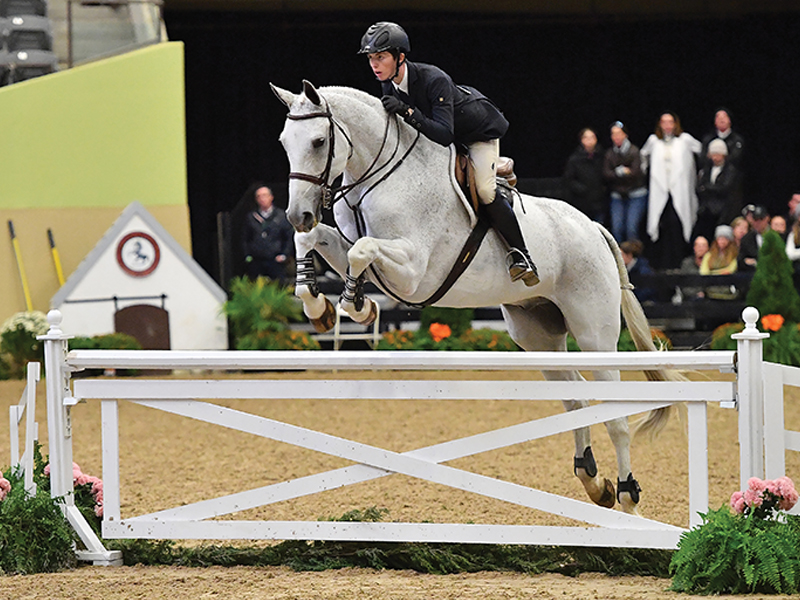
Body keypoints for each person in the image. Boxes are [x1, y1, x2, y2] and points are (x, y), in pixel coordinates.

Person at [359, 21, 538, 286]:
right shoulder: (389, 84)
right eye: (372, 58)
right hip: (443, 138)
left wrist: (408, 112)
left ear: (400, 58)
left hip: (476, 134)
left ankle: (522, 255)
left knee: (486, 191)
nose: (375, 64)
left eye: (381, 57)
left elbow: (444, 134)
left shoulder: (434, 79)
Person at [640, 112, 703, 270]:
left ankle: (679, 263)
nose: (667, 125)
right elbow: (643, 156)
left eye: (670, 122)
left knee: (678, 226)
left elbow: (702, 150)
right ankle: (662, 267)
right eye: (664, 122)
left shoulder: (684, 140)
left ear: (675, 124)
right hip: (660, 189)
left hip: (679, 190)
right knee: (661, 227)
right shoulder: (654, 141)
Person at [603, 121, 647, 243]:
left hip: (636, 194)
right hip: (617, 195)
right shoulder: (609, 154)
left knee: (631, 228)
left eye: (619, 133)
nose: (616, 137)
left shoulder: (634, 151)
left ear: (625, 135)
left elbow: (636, 173)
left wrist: (618, 173)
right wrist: (622, 172)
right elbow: (606, 174)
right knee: (617, 229)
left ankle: (632, 258)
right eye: (614, 134)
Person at [241, 184, 294, 283]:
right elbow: (245, 238)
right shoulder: (251, 217)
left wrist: (284, 255)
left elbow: (288, 238)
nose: (262, 199)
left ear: (271, 197)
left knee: (278, 287)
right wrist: (248, 255)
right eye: (259, 196)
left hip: (275, 259)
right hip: (257, 260)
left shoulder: (281, 216)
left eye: (264, 195)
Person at [692, 139, 740, 242]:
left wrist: (707, 188)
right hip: (705, 210)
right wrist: (708, 188)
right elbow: (699, 187)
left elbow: (724, 188)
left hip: (721, 211)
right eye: (713, 154)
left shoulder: (730, 170)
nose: (715, 157)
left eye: (718, 154)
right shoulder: (706, 169)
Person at [563, 127, 606, 223]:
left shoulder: (602, 156)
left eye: (592, 137)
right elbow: (568, 179)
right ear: (581, 140)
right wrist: (582, 189)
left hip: (599, 202)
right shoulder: (574, 159)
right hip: (581, 202)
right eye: (586, 138)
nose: (589, 140)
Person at [737, 204, 771, 271]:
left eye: (760, 219)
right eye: (755, 220)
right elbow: (741, 261)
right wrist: (748, 262)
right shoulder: (746, 239)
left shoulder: (777, 237)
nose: (757, 223)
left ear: (767, 218)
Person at [678, 235, 709, 301]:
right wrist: (695, 293)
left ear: (708, 248)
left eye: (703, 246)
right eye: (698, 246)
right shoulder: (686, 263)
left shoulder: (711, 263)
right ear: (694, 248)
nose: (701, 248)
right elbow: (683, 284)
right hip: (690, 298)